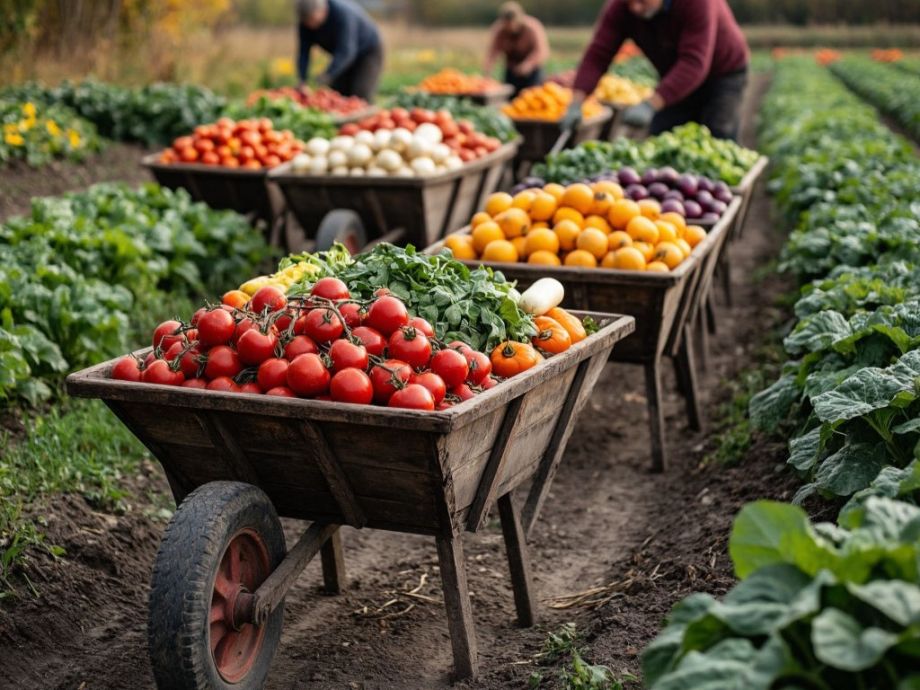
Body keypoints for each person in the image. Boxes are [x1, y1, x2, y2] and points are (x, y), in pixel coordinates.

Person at [560, 0, 749, 140]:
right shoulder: (620, 8)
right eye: (629, 2)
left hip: (723, 73)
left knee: (719, 133)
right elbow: (598, 55)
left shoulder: (696, 3)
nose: (635, 7)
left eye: (641, 1)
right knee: (663, 136)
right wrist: (577, 101)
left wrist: (650, 104)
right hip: (676, 74)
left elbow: (693, 63)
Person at [295, 0, 383, 101]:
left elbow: (346, 51)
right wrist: (302, 79)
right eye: (306, 22)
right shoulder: (305, 24)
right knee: (339, 94)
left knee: (360, 94)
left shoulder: (342, 14)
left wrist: (328, 74)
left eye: (312, 19)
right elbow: (303, 53)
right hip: (342, 55)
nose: (310, 25)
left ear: (322, 10)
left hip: (367, 51)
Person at [483, 2, 550, 95]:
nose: (510, 28)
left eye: (512, 24)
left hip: (532, 71)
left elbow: (541, 51)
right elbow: (492, 51)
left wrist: (527, 65)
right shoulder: (499, 30)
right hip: (511, 69)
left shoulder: (532, 28)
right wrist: (488, 70)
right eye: (507, 24)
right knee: (510, 96)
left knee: (532, 95)